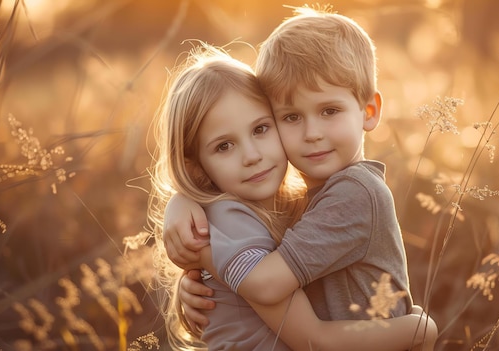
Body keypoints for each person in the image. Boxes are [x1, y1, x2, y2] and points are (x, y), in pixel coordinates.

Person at [162, 5, 437, 350]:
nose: (312, 133)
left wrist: (201, 249)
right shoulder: (302, 199)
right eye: (291, 117)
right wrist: (184, 204)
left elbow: (266, 287)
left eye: (329, 111)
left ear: (369, 112)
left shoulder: (353, 195)